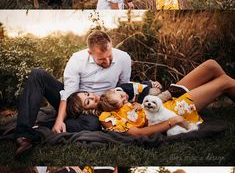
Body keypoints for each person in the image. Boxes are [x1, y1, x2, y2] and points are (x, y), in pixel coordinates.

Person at [14, 30, 131, 156]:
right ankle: (24, 136)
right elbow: (67, 93)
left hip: (99, 109)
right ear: (90, 53)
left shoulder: (124, 58)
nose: (107, 62)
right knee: (38, 74)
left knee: (93, 124)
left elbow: (123, 87)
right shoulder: (77, 60)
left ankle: (43, 127)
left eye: (109, 56)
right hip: (73, 100)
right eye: (102, 59)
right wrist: (59, 120)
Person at [66, 60, 235, 137]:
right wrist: (173, 121)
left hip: (164, 100)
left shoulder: (107, 95)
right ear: (86, 111)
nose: (92, 97)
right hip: (171, 111)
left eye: (87, 94)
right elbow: (138, 132)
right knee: (225, 81)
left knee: (211, 66)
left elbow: (138, 89)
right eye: (87, 101)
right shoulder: (106, 118)